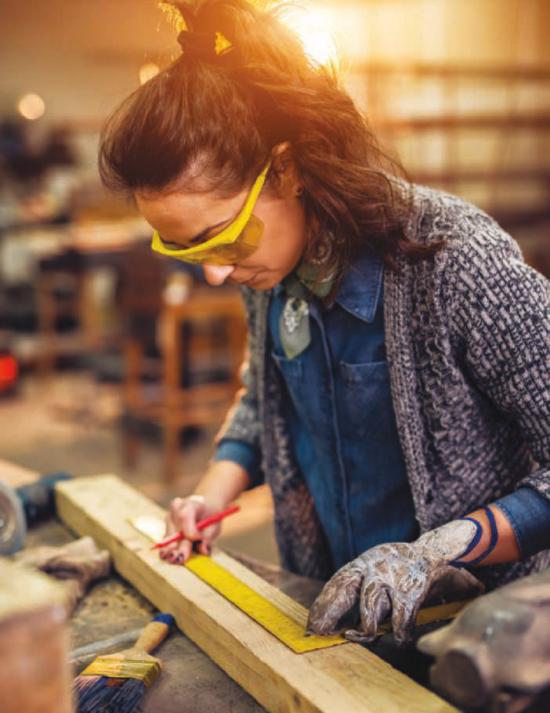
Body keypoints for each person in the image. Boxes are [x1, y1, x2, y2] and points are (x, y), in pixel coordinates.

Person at [98, 0, 550, 645]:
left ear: (286, 169)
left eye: (220, 239)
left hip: (478, 636)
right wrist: (208, 495)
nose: (214, 275)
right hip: (334, 614)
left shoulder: (453, 261)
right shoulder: (270, 271)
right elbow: (265, 402)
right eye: (187, 252)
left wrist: (438, 551)